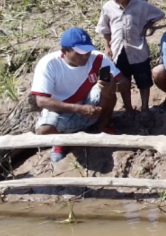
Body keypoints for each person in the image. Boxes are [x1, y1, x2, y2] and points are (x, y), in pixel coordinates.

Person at [31, 28, 127, 162]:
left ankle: (101, 127)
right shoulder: (48, 64)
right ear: (64, 51)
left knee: (106, 90)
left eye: (87, 51)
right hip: (62, 108)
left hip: (90, 101)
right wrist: (78, 109)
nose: (85, 56)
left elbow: (125, 83)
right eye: (80, 53)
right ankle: (62, 142)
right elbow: (41, 101)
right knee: (44, 131)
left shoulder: (98, 58)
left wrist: (114, 87)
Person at [95, 0, 164, 113]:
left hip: (138, 50)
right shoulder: (108, 7)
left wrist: (147, 27)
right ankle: (128, 107)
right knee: (123, 81)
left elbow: (159, 14)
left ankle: (145, 107)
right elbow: (105, 29)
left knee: (143, 80)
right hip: (118, 51)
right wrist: (107, 46)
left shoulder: (141, 6)